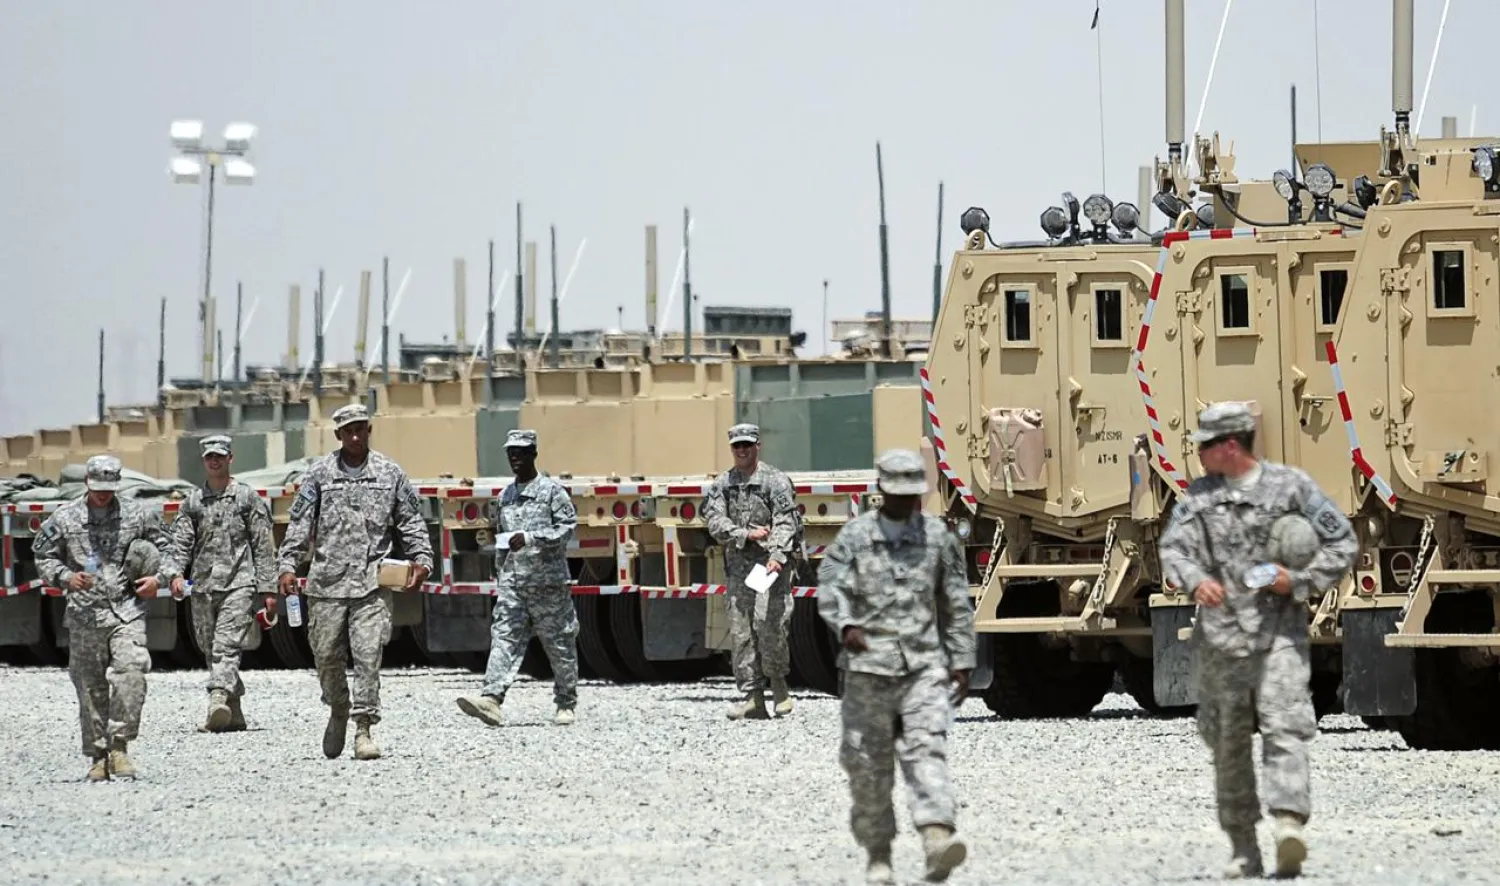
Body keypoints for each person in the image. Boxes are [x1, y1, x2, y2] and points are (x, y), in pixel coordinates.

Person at [1158, 401, 1358, 879]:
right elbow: (1173, 550)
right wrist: (1195, 581)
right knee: (1227, 746)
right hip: (1221, 642)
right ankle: (1244, 848)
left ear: (1230, 445)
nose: (1199, 454)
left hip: (1278, 637)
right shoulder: (1198, 497)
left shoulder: (1291, 488)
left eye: (1206, 445)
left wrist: (1299, 581)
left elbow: (1343, 543)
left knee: (1285, 727)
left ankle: (1288, 824)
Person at [817, 449, 975, 885]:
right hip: (867, 671)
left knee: (927, 751)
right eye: (899, 494)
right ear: (881, 491)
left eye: (913, 494)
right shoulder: (855, 537)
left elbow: (956, 602)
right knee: (868, 767)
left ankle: (937, 840)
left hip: (923, 668)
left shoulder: (938, 538)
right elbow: (829, 585)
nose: (907, 502)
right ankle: (878, 855)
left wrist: (962, 660)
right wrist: (845, 623)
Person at [276, 403, 433, 761]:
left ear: (369, 429)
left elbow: (410, 520)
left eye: (361, 428)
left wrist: (422, 559)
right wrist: (287, 565)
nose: (356, 436)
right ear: (338, 435)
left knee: (367, 655)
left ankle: (364, 728)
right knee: (326, 655)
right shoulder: (319, 474)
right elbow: (299, 524)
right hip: (326, 584)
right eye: (348, 431)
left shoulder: (389, 473)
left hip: (371, 583)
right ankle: (338, 707)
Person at [32, 454, 178, 781]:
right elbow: (43, 554)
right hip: (85, 613)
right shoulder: (65, 517)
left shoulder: (137, 514)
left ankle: (120, 747)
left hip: (127, 610)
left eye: (108, 489)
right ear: (87, 482)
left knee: (132, 672)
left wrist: (159, 579)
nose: (102, 495)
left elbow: (170, 549)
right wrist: (66, 577)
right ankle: (98, 757)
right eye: (97, 488)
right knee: (90, 687)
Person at [456, 429, 580, 727]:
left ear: (533, 454)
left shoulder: (552, 492)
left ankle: (566, 702)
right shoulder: (505, 497)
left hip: (547, 584)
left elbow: (567, 529)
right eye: (511, 453)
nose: (515, 458)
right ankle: (491, 699)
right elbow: (503, 538)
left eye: (521, 452)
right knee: (503, 639)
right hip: (513, 584)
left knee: (560, 643)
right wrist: (500, 573)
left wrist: (532, 537)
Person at [166, 434, 277, 733]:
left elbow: (263, 546)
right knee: (210, 649)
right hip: (203, 588)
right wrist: (175, 574)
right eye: (209, 457)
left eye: (219, 456)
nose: (214, 461)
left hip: (239, 585)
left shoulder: (246, 498)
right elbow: (180, 543)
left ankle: (217, 699)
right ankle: (235, 711)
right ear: (204, 461)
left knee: (226, 647)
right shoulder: (193, 502)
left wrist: (268, 589)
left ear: (230, 458)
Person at [702, 422, 801, 720]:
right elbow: (714, 521)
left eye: (747, 444)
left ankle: (780, 688)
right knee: (742, 632)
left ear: (758, 445)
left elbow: (786, 520)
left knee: (770, 624)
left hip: (769, 566)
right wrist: (745, 534)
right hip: (739, 570)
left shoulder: (775, 481)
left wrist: (777, 554)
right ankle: (753, 698)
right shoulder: (723, 484)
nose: (742, 450)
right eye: (737, 446)